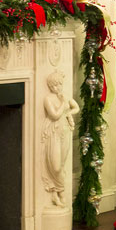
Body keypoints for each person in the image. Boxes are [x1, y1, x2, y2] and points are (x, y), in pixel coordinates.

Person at [40, 71, 79, 208]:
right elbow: (55, 115)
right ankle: (61, 191)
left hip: (65, 132)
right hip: (54, 133)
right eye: (55, 85)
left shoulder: (65, 95)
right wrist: (63, 102)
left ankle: (55, 194)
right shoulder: (49, 99)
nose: (58, 87)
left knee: (61, 165)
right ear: (51, 86)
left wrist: (69, 113)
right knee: (55, 166)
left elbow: (76, 107)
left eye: (60, 84)